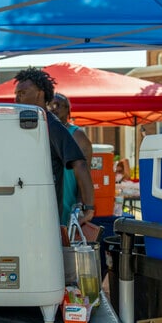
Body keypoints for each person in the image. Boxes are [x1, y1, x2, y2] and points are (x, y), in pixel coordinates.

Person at [14, 67, 95, 224]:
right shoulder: (26, 123)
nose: (17, 99)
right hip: (25, 211)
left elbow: (80, 164)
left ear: (40, 93)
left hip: (47, 217)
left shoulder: (51, 124)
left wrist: (89, 208)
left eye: (22, 93)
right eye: (16, 94)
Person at [49, 93, 93, 225]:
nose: (53, 109)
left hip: (67, 196)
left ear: (68, 110)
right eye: (50, 105)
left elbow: (85, 172)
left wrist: (81, 203)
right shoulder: (45, 130)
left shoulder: (77, 134)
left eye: (57, 105)